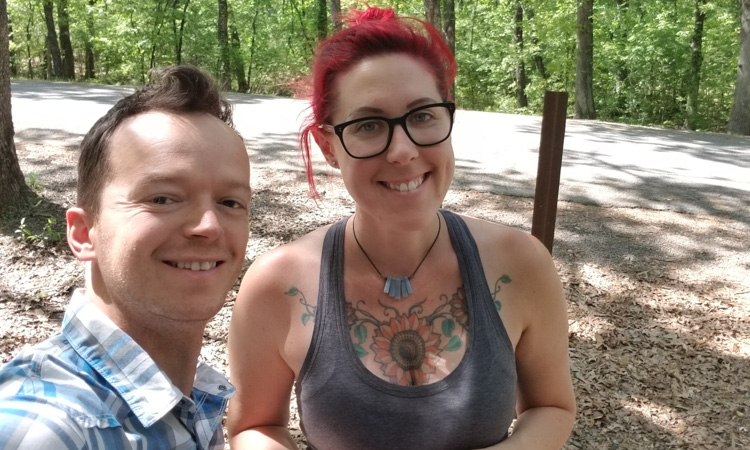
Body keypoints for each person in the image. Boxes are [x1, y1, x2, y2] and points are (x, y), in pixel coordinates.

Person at [227, 6, 575, 450]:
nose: (403, 151)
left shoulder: (521, 263)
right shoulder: (275, 284)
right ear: (328, 145)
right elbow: (253, 427)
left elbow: (551, 407)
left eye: (422, 116)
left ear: (449, 119)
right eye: (370, 125)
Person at [0, 65, 251, 449]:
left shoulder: (191, 395)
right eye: (162, 198)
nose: (209, 226)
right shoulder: (50, 429)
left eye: (230, 202)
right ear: (84, 234)